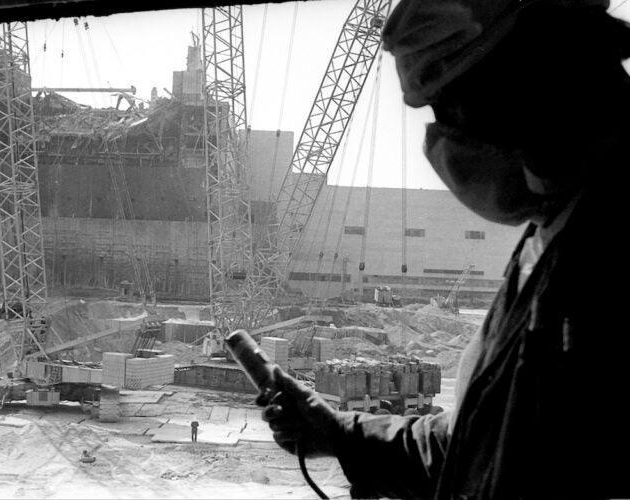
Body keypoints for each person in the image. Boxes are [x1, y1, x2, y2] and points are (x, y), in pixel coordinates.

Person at [258, 0, 630, 498]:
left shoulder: (609, 254)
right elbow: (478, 448)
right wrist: (341, 434)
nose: (442, 142)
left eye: (450, 110)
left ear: (535, 82)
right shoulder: (548, 239)